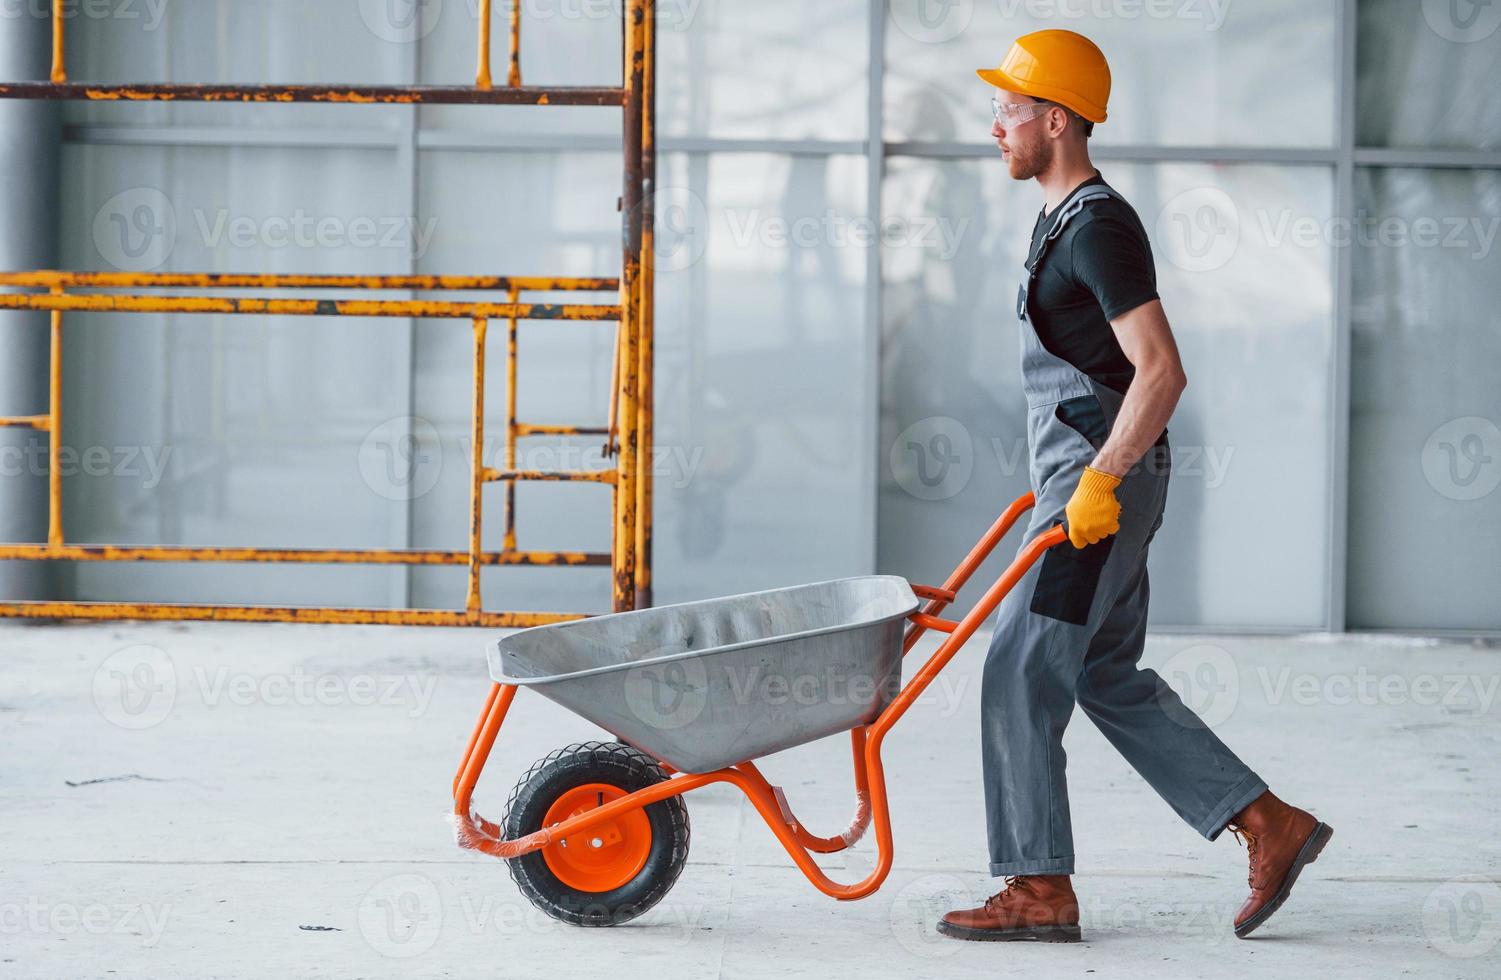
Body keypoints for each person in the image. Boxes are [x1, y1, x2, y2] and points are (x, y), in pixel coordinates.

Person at [938, 30, 1332, 943]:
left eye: (1008, 108)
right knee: (1103, 673)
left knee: (1016, 670)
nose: (994, 124)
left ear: (1057, 118)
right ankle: (1268, 822)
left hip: (1095, 491)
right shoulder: (1058, 221)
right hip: (1093, 483)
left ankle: (1037, 888)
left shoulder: (1098, 227)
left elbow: (1159, 370)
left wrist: (1097, 486)